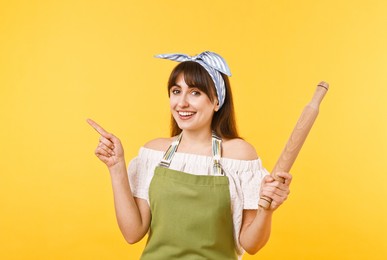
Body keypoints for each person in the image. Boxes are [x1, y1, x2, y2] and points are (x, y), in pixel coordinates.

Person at [87, 51, 292, 259]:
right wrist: (116, 167)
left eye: (195, 93)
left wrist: (267, 208)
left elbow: (251, 245)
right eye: (176, 91)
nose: (182, 103)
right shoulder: (153, 153)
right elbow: (132, 233)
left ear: (217, 101)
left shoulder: (239, 156)